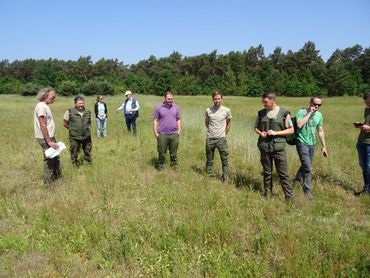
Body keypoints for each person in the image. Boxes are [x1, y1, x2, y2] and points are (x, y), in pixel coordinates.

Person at [254, 92, 294, 201]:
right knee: (267, 173)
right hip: (264, 147)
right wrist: (260, 133)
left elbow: (291, 130)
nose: (263, 104)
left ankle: (289, 198)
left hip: (278, 149)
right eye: (263, 101)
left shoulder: (284, 113)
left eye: (265, 102)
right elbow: (256, 127)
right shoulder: (261, 113)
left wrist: (276, 133)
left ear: (272, 101)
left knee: (283, 174)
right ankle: (267, 194)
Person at [294, 97, 328, 199]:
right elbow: (299, 124)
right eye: (314, 104)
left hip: (312, 143)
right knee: (308, 167)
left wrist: (324, 147)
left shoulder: (319, 115)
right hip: (301, 141)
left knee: (307, 164)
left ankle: (298, 177)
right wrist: (309, 113)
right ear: (310, 103)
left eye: (319, 105)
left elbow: (320, 131)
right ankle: (307, 191)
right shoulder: (301, 112)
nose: (316, 106)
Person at [34, 87, 62, 184]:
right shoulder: (41, 106)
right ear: (46, 95)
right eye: (53, 96)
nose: (54, 99)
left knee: (55, 157)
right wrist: (49, 141)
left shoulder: (44, 106)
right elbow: (43, 125)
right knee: (49, 159)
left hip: (49, 137)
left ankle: (57, 177)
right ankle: (48, 183)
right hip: (46, 138)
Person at [205, 91, 232, 182]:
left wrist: (224, 133)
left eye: (218, 98)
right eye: (215, 99)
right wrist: (212, 131)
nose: (217, 100)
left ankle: (225, 178)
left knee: (224, 160)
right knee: (209, 159)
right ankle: (209, 176)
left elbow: (229, 123)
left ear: (221, 99)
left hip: (221, 139)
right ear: (213, 99)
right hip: (210, 138)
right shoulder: (208, 110)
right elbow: (206, 123)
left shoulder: (226, 110)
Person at [153, 91, 181, 171]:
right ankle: (160, 165)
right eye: (168, 99)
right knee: (162, 152)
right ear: (164, 98)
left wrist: (178, 131)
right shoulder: (159, 108)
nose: (170, 100)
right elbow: (155, 120)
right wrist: (156, 133)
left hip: (174, 134)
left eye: (171, 99)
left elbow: (178, 119)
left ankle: (174, 165)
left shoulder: (176, 107)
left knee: (174, 153)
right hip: (162, 134)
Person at [63, 96, 92, 165]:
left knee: (87, 151)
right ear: (75, 103)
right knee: (74, 151)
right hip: (75, 137)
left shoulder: (88, 112)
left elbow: (90, 122)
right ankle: (74, 165)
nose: (81, 105)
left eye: (82, 103)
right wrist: (72, 130)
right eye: (79, 103)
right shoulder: (69, 112)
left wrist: (87, 129)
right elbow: (65, 124)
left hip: (86, 136)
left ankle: (88, 164)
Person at [354, 92, 370, 196]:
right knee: (363, 166)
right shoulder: (367, 109)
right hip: (362, 141)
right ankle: (366, 188)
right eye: (365, 102)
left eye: (368, 102)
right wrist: (361, 126)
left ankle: (368, 190)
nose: (366, 104)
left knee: (369, 167)